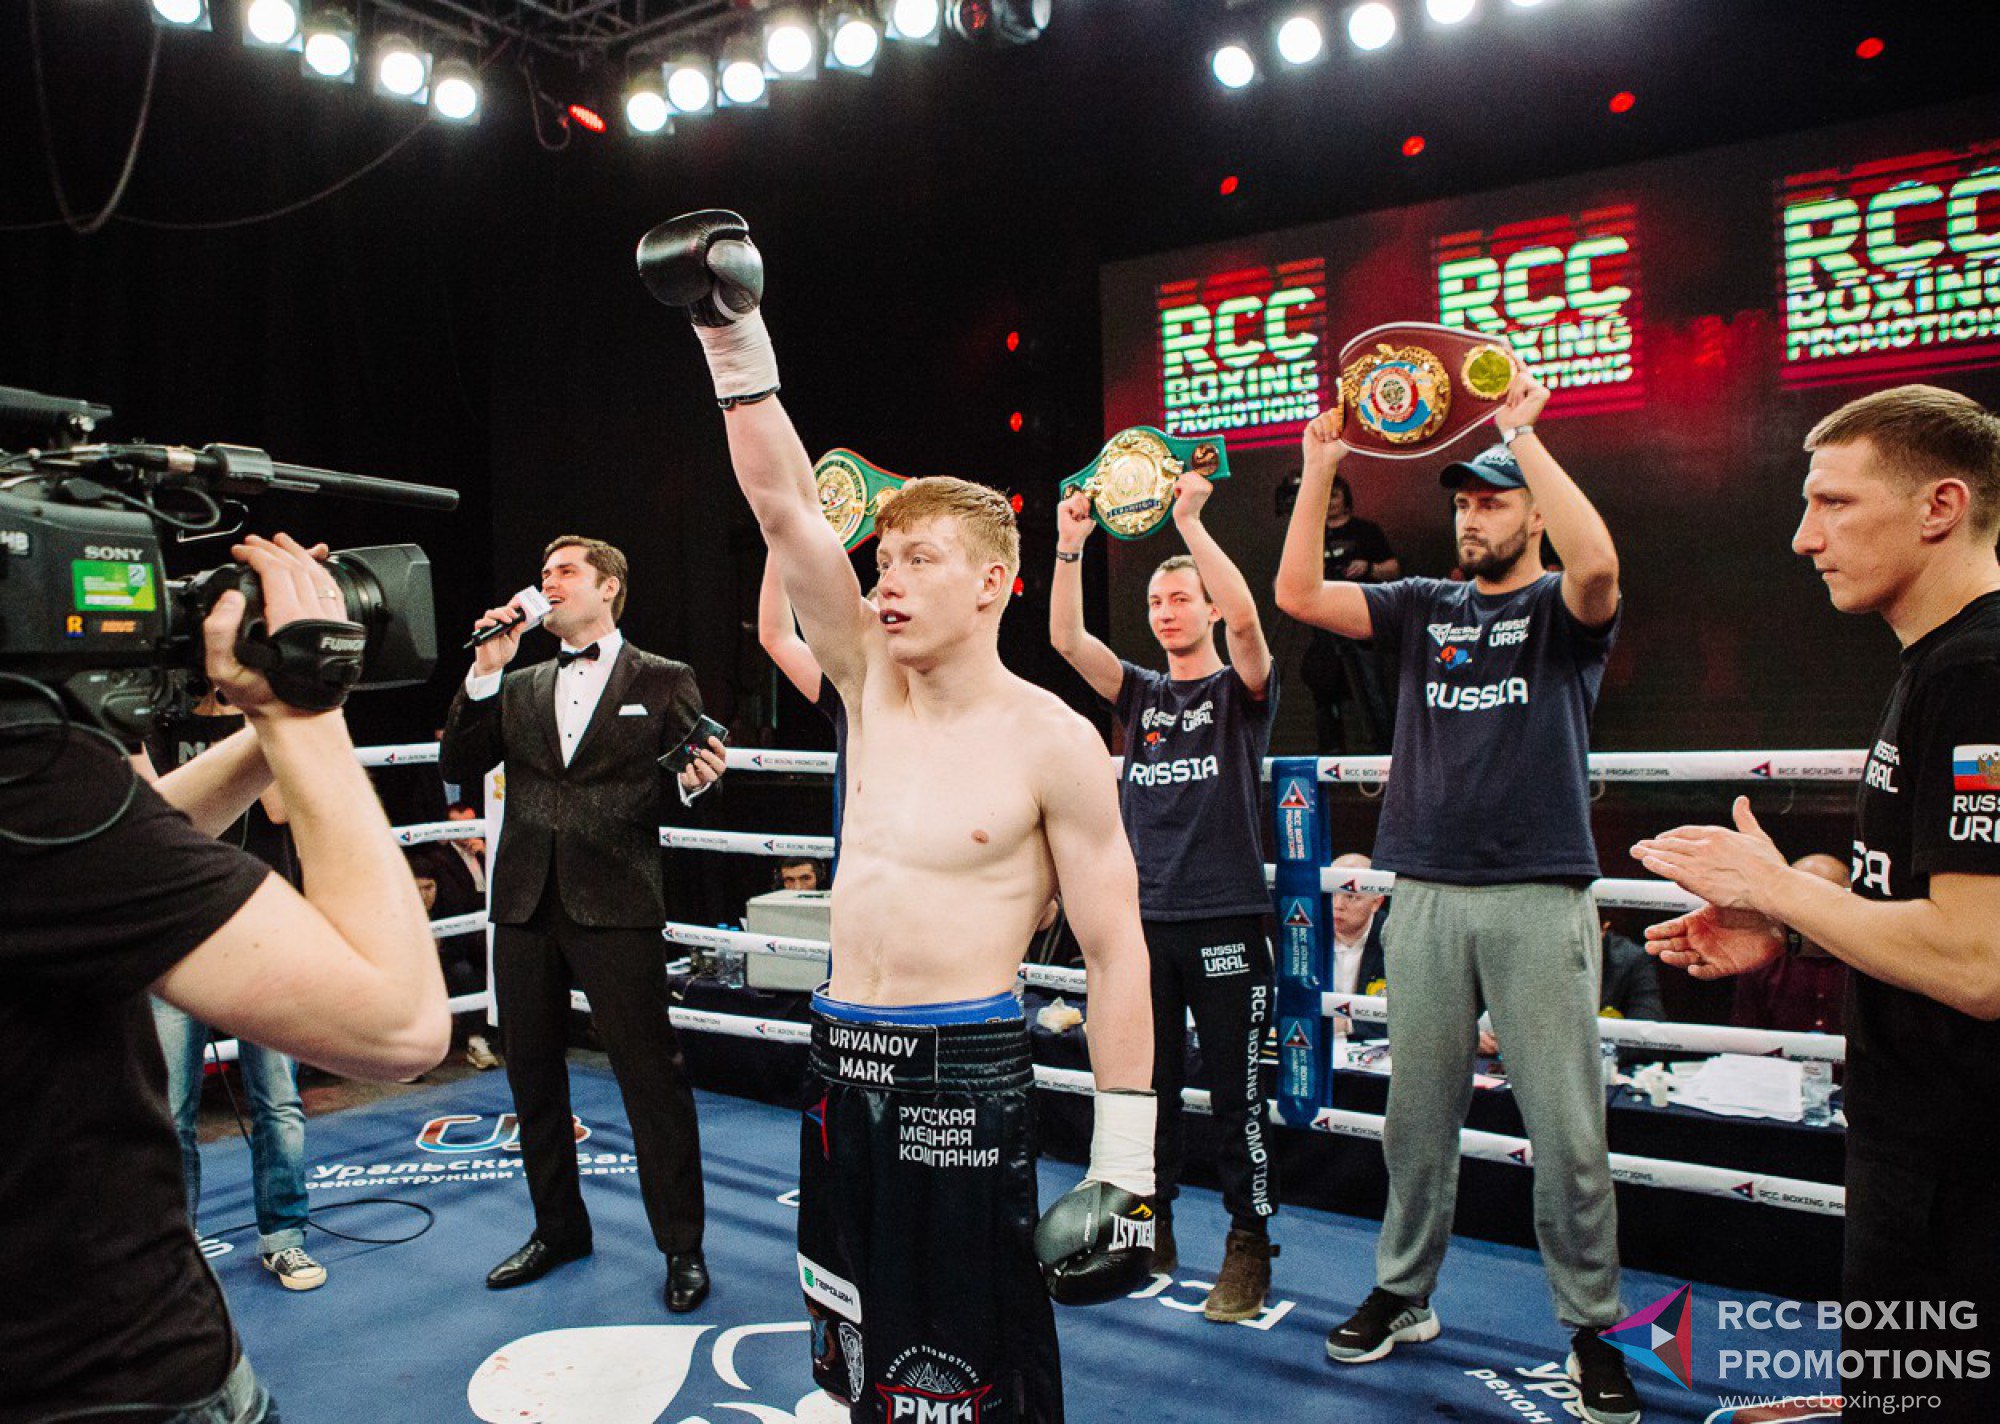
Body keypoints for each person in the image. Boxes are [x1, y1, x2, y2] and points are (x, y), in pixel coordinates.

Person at [651, 209, 1154, 1423]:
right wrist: (728, 329)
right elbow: (785, 507)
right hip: (839, 1052)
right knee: (849, 1340)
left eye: (917, 559)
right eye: (882, 561)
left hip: (963, 1069)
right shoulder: (869, 685)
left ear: (992, 581)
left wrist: (1126, 1166)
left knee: (966, 1371)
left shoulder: (1052, 738)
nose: (885, 580)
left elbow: (1114, 950)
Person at [1, 532, 448, 1424]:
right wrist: (305, 711)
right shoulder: (28, 782)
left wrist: (261, 718)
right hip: (108, 1375)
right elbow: (402, 1026)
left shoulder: (41, 810)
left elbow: (119, 842)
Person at [1276, 378, 1639, 1424]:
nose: (1471, 517)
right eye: (1464, 503)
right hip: (1425, 888)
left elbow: (1600, 566)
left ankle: (1592, 1326)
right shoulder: (1424, 604)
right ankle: (1404, 1291)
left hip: (1535, 891)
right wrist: (1319, 468)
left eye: (1492, 500)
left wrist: (1523, 434)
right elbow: (1298, 593)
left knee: (1567, 1134)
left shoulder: (1560, 608)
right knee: (1415, 1120)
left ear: (1533, 513)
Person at [1633, 385, 2000, 1420]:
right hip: (1921, 1140)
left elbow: (1979, 962)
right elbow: (1918, 904)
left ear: (1938, 506)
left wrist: (1775, 883)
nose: (1803, 538)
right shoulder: (1938, 663)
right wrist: (1791, 920)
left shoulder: (1979, 673)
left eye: (1833, 502)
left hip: (1963, 1165)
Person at [440, 535, 726, 1314]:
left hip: (618, 900)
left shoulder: (663, 678)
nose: (548, 583)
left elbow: (697, 785)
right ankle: (557, 1228)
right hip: (524, 901)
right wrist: (485, 669)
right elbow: (458, 765)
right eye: (543, 573)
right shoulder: (519, 682)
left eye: (565, 571)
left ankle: (682, 1246)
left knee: (650, 1080)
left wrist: (699, 784)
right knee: (531, 1076)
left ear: (608, 588)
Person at [1048, 464, 1280, 1321]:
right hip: (1142, 924)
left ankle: (1249, 1246)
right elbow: (1068, 641)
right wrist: (1070, 546)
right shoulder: (1142, 694)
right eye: (1155, 602)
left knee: (1237, 1099)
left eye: (1181, 599)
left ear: (1208, 608)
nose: (1166, 611)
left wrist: (1189, 526)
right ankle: (1154, 1231)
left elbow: (1250, 622)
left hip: (1225, 920)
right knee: (1146, 1094)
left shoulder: (1238, 693)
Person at [143, 692, 324, 1293]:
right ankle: (179, 1248)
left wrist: (256, 717)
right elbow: (157, 827)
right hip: (179, 932)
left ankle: (284, 1237)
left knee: (279, 1100)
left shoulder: (266, 718)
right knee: (171, 1108)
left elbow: (281, 810)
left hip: (265, 930)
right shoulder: (157, 723)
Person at [1294, 473, 1402, 753]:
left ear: (1345, 499)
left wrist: (1368, 568)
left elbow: (1393, 569)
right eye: (1326, 496)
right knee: (1323, 687)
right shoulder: (1310, 534)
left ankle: (1386, 751)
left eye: (1335, 496)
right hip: (1323, 626)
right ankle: (1331, 751)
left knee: (1373, 687)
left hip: (1362, 622)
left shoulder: (1366, 530)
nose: (1330, 502)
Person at [759, 558, 852, 848]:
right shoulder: (849, 691)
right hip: (862, 863)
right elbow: (776, 636)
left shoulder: (954, 694)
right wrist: (778, 542)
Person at [1728, 854, 1851, 1036]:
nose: (1814, 913)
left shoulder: (1869, 960)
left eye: (1825, 900)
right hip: (1776, 1054)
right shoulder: (1764, 959)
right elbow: (1746, 1034)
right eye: (1804, 899)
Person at [1328, 852, 1389, 1042]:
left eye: (1351, 897)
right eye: (1331, 893)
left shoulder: (1395, 938)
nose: (1337, 905)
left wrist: (1346, 1024)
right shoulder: (1304, 935)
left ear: (1376, 903)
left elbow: (1408, 1015)